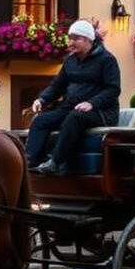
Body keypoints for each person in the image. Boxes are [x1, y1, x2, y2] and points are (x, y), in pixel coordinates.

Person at [26, 19, 121, 175]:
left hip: (102, 112)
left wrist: (92, 103)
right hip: (71, 108)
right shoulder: (70, 61)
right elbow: (57, 85)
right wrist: (42, 99)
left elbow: (113, 89)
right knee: (41, 120)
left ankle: (55, 163)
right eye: (69, 37)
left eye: (76, 38)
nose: (71, 42)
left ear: (88, 39)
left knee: (74, 117)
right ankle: (29, 161)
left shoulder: (107, 60)